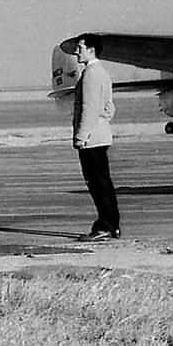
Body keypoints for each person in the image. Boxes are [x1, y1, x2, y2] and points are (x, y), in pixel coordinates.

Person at [71, 34, 120, 240]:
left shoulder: (91, 74)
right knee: (103, 182)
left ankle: (105, 226)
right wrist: (102, 122)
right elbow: (109, 107)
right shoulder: (102, 72)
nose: (76, 52)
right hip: (100, 135)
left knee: (97, 183)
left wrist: (81, 136)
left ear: (91, 50)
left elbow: (89, 108)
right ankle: (112, 225)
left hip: (91, 138)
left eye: (80, 48)